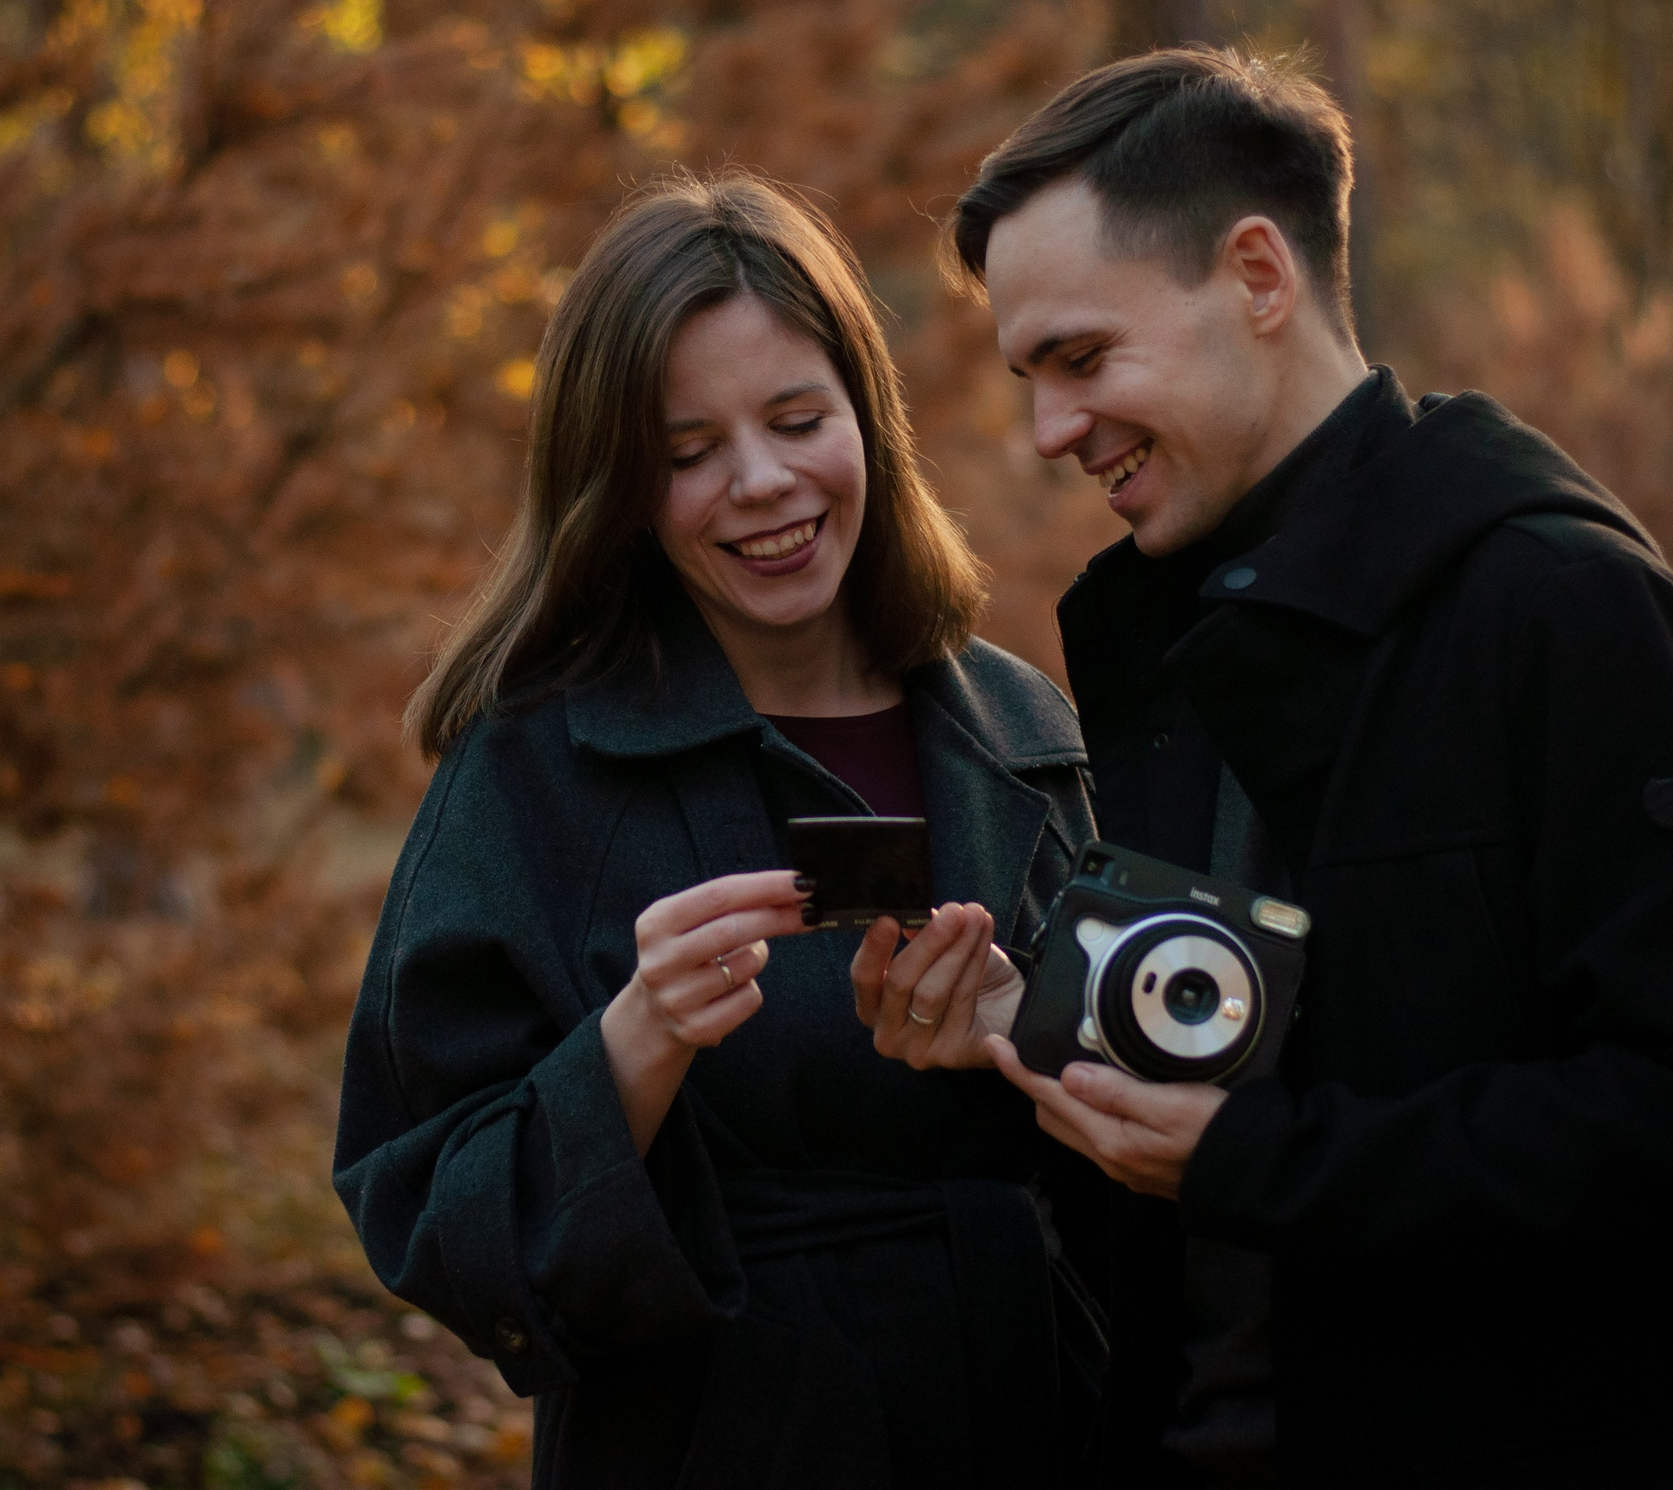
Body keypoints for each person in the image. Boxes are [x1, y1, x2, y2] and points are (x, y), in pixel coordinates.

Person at [865, 47, 1673, 1487]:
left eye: (1085, 360)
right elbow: (1225, 1104)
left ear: (1259, 276)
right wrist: (1024, 1040)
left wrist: (1260, 1160)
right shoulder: (1163, 646)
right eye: (1031, 379)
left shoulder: (1563, 609)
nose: (1049, 433)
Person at [332, 170, 1114, 1490]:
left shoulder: (1019, 726)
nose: (760, 483)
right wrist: (633, 1048)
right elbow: (420, 1200)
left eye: (798, 420)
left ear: (867, 418)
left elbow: (1159, 1127)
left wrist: (1023, 1028)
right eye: (687, 455)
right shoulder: (536, 770)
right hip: (714, 1437)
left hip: (1037, 1421)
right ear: (620, 491)